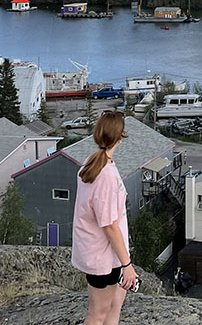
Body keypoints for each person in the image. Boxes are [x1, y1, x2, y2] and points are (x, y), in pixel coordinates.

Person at [72, 110, 138, 325]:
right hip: (102, 255)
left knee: (116, 302)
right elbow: (109, 224)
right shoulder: (106, 175)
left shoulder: (92, 163)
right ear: (121, 136)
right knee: (98, 313)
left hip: (103, 252)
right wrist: (127, 264)